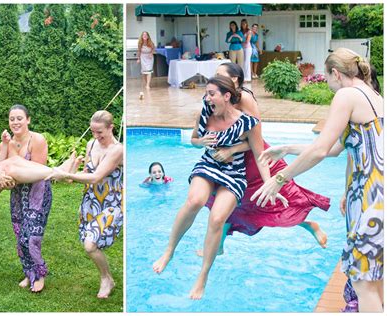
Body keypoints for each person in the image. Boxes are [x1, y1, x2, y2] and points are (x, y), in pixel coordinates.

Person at [252, 48, 383, 312]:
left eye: (327, 80)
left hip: (371, 198)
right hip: (375, 193)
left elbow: (321, 150)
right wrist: (286, 147)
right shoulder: (375, 95)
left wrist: (280, 178)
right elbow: (338, 148)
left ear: (335, 74)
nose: (330, 87)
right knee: (377, 281)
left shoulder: (347, 95)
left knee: (363, 284)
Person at [152, 76, 289, 300]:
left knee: (217, 219)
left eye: (212, 94)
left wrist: (269, 184)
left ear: (226, 96)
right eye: (207, 94)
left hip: (234, 173)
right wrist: (202, 142)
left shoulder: (248, 123)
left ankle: (202, 276)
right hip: (208, 164)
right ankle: (169, 251)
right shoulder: (205, 112)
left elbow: (259, 154)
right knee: (195, 200)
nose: (207, 98)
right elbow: (193, 140)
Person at [197, 63, 330, 257]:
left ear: (234, 79)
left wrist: (232, 150)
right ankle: (218, 246)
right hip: (231, 163)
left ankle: (309, 225)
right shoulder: (216, 97)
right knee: (226, 202)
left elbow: (256, 137)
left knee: (271, 200)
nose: (215, 78)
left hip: (253, 159)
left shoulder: (244, 98)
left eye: (220, 74)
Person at [49, 110, 123, 299]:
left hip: (111, 204)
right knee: (90, 243)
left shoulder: (118, 150)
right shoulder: (91, 144)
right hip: (90, 202)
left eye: (100, 132)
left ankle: (107, 279)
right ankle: (107, 278)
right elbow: (86, 174)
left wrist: (66, 174)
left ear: (111, 127)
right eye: (93, 132)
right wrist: (73, 172)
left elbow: (97, 177)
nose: (96, 136)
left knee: (90, 245)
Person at [0, 104, 52, 292]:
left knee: (31, 237)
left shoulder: (37, 140)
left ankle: (39, 274)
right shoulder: (10, 143)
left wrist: (13, 175)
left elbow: (37, 171)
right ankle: (28, 272)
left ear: (28, 119)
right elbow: (2, 167)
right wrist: (6, 180)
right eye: (12, 119)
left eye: (19, 118)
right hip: (17, 196)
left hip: (37, 194)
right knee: (20, 236)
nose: (15, 122)